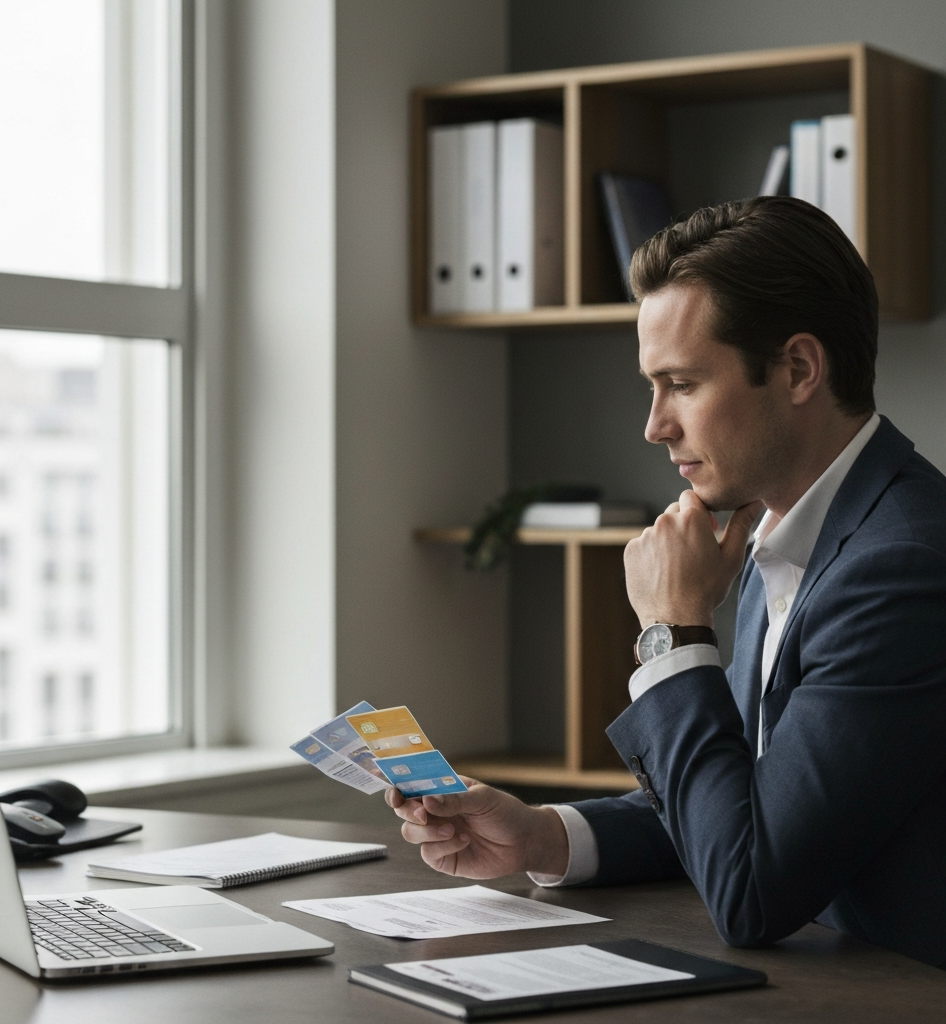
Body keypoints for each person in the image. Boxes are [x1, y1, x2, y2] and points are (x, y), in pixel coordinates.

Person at [388, 196, 946, 970]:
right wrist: (546, 835)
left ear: (798, 369)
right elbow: (744, 807)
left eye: (681, 383)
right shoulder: (784, 534)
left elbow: (753, 888)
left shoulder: (902, 564)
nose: (655, 425)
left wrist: (677, 629)